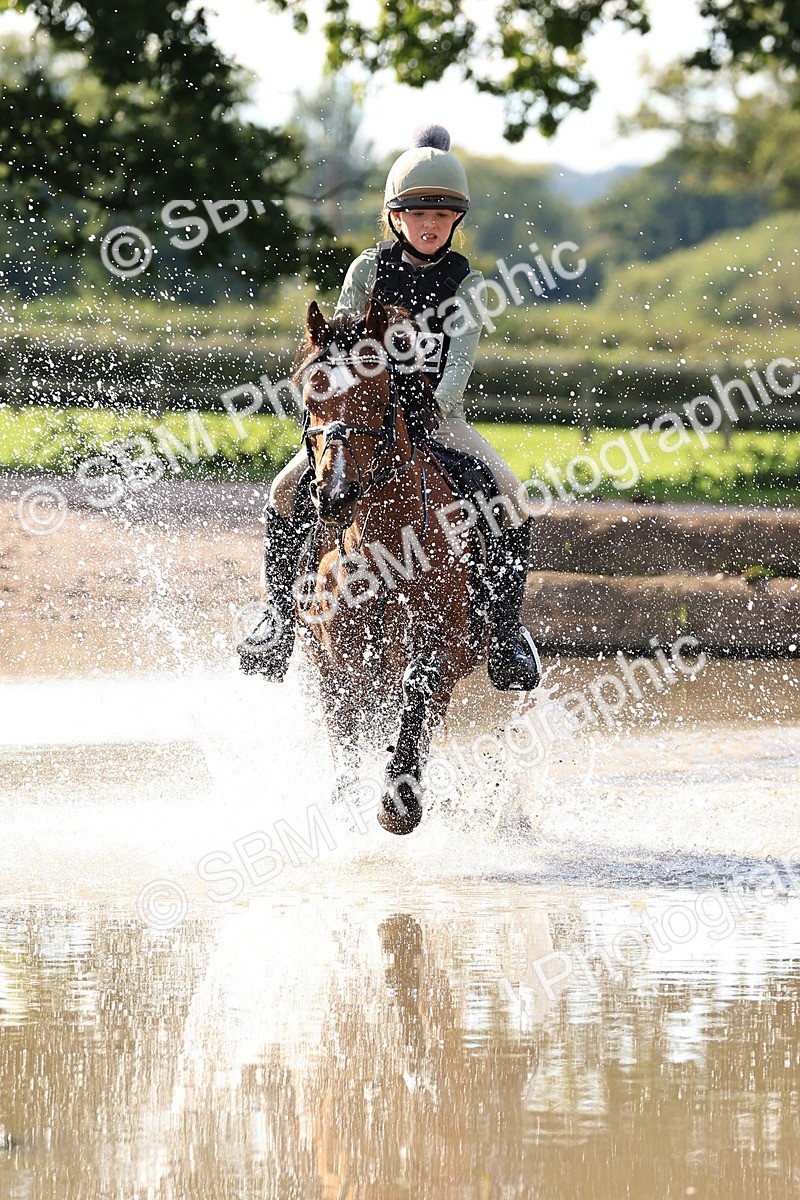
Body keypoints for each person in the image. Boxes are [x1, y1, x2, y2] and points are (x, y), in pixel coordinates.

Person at [238, 124, 541, 691]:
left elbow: (459, 364)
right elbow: (339, 343)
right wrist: (354, 397)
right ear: (396, 217)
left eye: (443, 216)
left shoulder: (466, 284)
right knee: (284, 490)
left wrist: (432, 406)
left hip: (436, 415)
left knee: (511, 496)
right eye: (419, 214)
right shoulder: (366, 271)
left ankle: (503, 631)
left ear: (456, 222)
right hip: (362, 417)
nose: (430, 225)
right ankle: (276, 620)